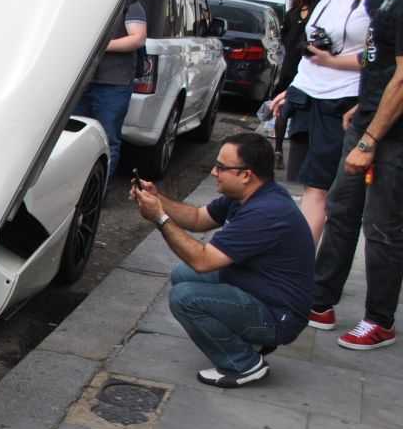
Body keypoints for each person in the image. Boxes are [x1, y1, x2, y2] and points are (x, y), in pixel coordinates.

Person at [131, 132, 314, 387]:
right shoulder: (249, 195)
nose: (214, 172)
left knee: (185, 298)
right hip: (260, 288)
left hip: (278, 315)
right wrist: (158, 200)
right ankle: (248, 339)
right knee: (181, 275)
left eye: (221, 167)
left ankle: (243, 364)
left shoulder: (265, 213)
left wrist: (159, 218)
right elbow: (196, 218)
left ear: (246, 174)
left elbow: (203, 261)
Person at [306, 0, 403, 351]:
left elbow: (401, 77)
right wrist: (364, 107)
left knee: (382, 226)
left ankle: (379, 320)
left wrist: (370, 137)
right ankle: (320, 299)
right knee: (342, 211)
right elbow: (377, 59)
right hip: (367, 116)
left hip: (390, 132)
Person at [270, 0, 377, 244]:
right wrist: (295, 86)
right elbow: (312, 49)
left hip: (340, 101)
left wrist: (333, 62)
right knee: (309, 186)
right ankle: (298, 264)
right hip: (309, 94)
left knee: (321, 189)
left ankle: (298, 268)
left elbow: (381, 58)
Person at [74, 0, 147, 185]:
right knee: (77, 139)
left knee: (107, 140)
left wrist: (102, 45)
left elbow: (137, 38)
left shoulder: (130, 3)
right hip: (83, 81)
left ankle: (98, 194)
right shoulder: (85, 0)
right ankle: (79, 190)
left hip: (113, 84)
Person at [272, 0, 321, 167]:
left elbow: (283, 39)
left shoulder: (291, 14)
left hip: (288, 67)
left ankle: (277, 149)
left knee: (283, 110)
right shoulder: (317, 15)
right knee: (306, 110)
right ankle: (301, 155)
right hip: (308, 69)